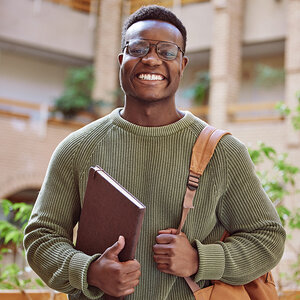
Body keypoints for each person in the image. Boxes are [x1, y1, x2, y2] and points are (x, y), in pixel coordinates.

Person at [24, 5, 286, 300]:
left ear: (182, 65)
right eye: (138, 48)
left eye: (167, 51)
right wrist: (91, 271)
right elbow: (41, 238)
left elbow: (268, 240)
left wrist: (202, 260)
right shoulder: (77, 148)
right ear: (122, 60)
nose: (151, 59)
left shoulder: (223, 152)